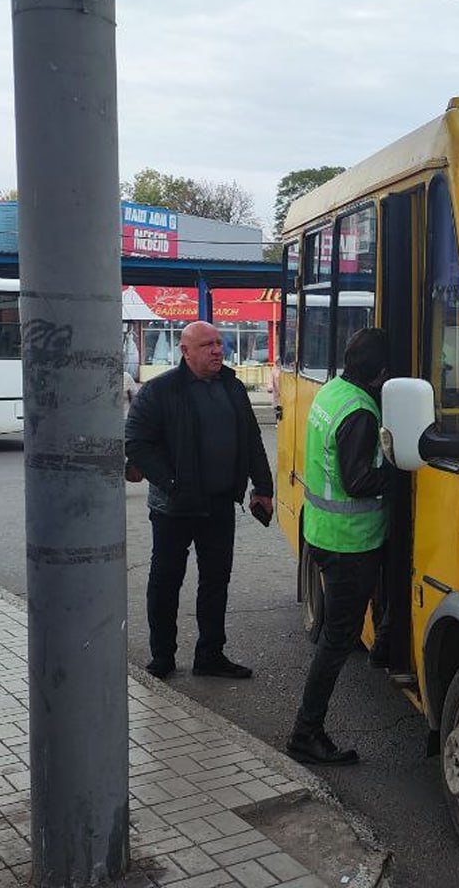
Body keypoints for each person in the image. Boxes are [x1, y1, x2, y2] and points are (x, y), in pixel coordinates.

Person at [125, 320, 274, 680]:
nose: (217, 350)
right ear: (186, 351)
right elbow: (136, 443)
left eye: (220, 343)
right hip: (174, 507)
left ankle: (210, 654)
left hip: (220, 504)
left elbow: (252, 439)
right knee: (166, 582)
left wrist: (264, 487)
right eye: (207, 345)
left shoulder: (233, 387)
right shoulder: (161, 391)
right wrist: (172, 481)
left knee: (215, 581)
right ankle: (162, 656)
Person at [287, 328, 394, 766]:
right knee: (337, 641)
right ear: (382, 373)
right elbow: (358, 481)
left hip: (323, 534)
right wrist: (400, 469)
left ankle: (387, 645)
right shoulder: (362, 412)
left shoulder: (333, 391)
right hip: (349, 543)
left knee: (338, 632)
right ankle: (305, 733)